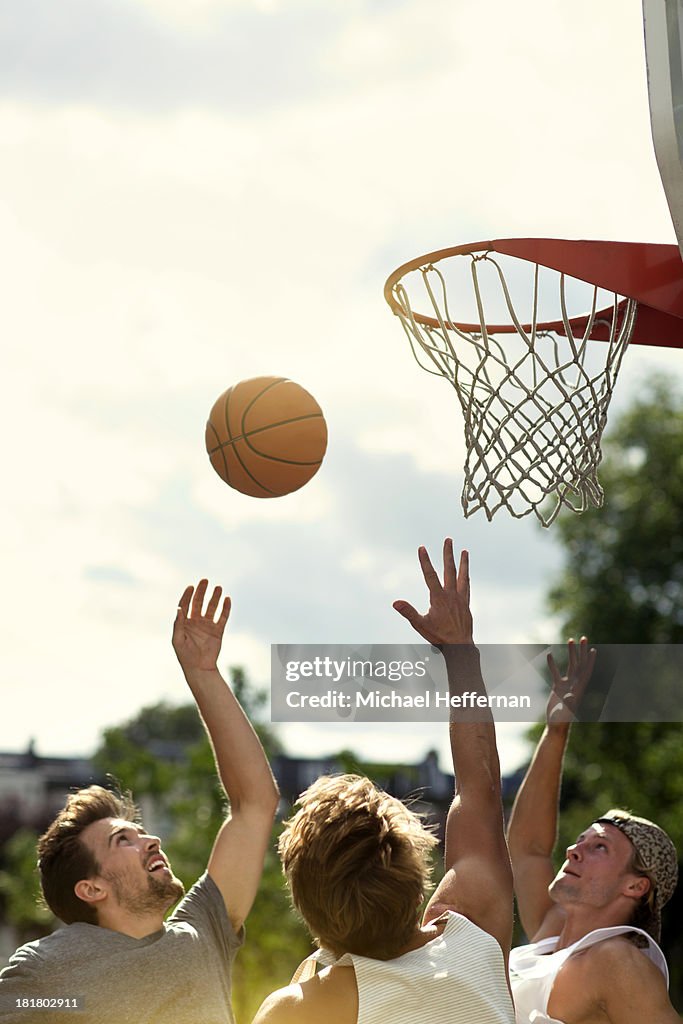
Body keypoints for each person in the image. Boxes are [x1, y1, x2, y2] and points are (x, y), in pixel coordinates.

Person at [253, 540, 515, 1024]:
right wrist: (460, 651)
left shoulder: (299, 1008)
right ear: (418, 882)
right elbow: (479, 792)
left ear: (304, 906)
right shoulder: (472, 939)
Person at [0, 579, 279, 1024]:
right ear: (92, 889)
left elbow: (255, 804)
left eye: (138, 831)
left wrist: (202, 674)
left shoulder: (202, 931)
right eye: (121, 840)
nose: (149, 838)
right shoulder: (44, 971)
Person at [507, 637, 680, 1024]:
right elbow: (529, 849)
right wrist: (556, 732)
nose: (572, 850)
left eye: (600, 847)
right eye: (580, 839)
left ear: (635, 886)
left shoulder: (617, 961)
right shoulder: (552, 937)